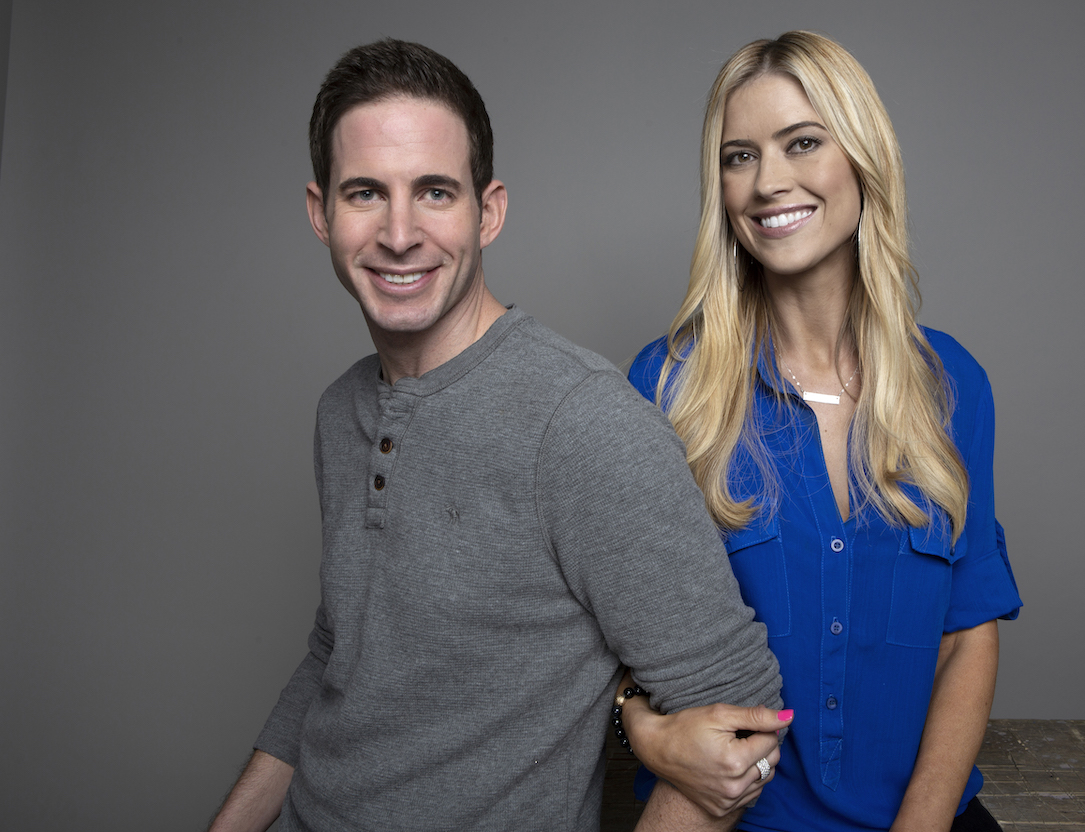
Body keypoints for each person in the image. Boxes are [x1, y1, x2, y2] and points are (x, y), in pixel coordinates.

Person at [207, 38, 785, 832]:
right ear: (321, 213)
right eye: (366, 193)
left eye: (435, 192)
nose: (399, 232)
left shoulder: (582, 424)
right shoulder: (339, 411)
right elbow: (334, 658)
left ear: (490, 211)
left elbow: (740, 720)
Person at [623, 31, 1022, 832]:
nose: (769, 182)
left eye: (802, 143)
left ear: (863, 161)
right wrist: (649, 732)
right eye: (739, 157)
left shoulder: (954, 387)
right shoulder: (668, 388)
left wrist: (923, 822)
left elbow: (968, 635)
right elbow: (612, 630)